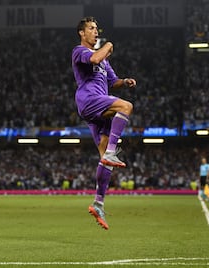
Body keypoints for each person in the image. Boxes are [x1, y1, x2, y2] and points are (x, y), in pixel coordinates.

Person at [72, 17, 137, 230]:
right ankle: (111, 152)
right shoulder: (80, 51)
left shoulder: (104, 62)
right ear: (82, 33)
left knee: (104, 160)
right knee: (126, 107)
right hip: (89, 100)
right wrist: (108, 45)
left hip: (100, 109)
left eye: (96, 29)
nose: (95, 32)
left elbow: (112, 82)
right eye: (91, 29)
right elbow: (94, 59)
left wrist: (124, 81)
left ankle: (98, 202)